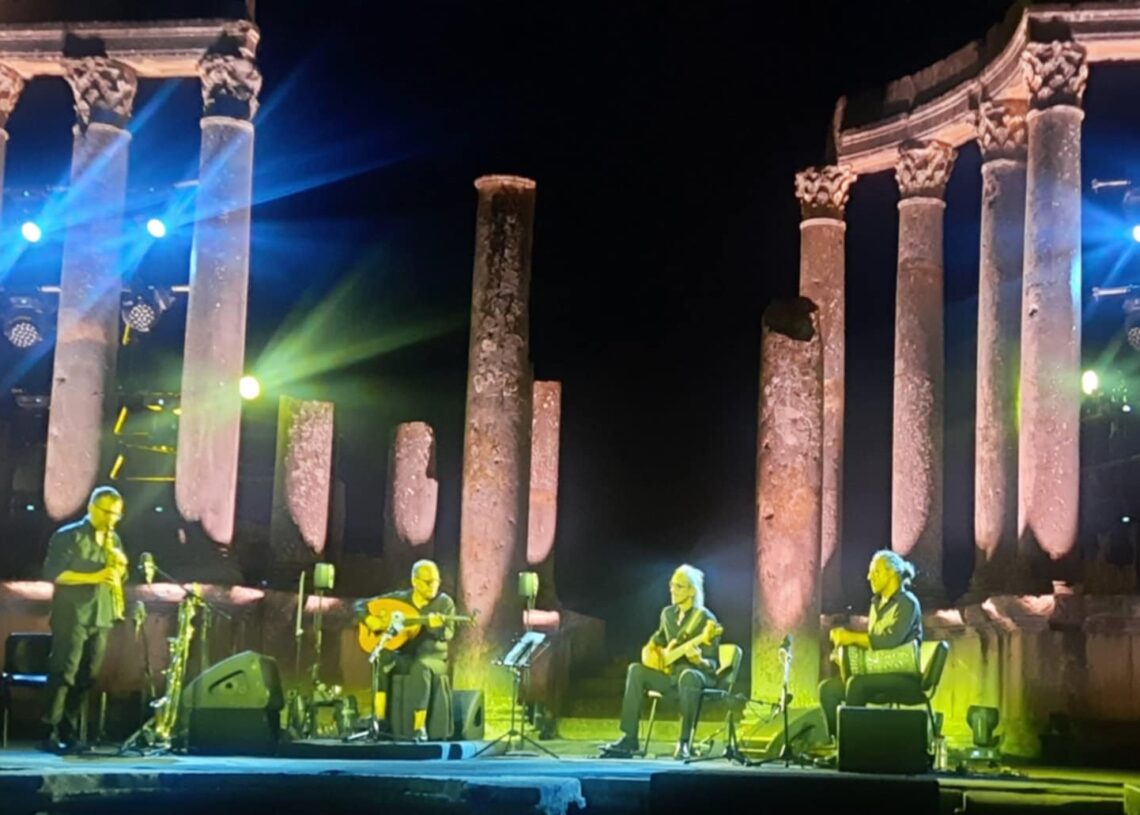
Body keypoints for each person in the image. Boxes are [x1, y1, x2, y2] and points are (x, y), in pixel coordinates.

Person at [602, 564, 721, 760]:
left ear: (692, 590)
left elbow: (713, 665)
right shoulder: (667, 614)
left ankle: (684, 742)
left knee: (687, 675)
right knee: (635, 670)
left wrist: (699, 660)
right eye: (671, 585)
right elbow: (657, 641)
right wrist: (652, 652)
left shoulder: (707, 620)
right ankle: (629, 738)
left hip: (696, 677)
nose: (672, 590)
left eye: (679, 586)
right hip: (671, 676)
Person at [41, 486, 128, 753]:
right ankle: (49, 733)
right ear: (92, 507)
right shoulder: (69, 536)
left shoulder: (114, 540)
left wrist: (121, 569)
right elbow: (54, 574)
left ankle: (71, 732)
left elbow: (116, 577)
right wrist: (96, 576)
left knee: (87, 676)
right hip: (72, 615)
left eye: (116, 515)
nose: (112, 519)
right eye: (107, 513)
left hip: (101, 615)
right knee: (64, 673)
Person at [819, 549, 923, 740]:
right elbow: (873, 644)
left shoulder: (907, 603)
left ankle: (852, 743)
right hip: (877, 671)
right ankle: (837, 742)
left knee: (856, 684)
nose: (869, 577)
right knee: (828, 689)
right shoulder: (876, 604)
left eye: (875, 572)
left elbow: (890, 640)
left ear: (892, 573)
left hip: (903, 677)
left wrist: (850, 637)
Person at [355, 559, 455, 742]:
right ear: (414, 581)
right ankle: (380, 720)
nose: (433, 586)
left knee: (421, 667)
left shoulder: (444, 603)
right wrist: (370, 620)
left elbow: (448, 634)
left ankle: (419, 728)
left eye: (436, 581)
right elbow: (360, 605)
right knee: (382, 657)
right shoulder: (401, 599)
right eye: (428, 581)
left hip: (434, 660)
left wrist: (434, 626)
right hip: (405, 656)